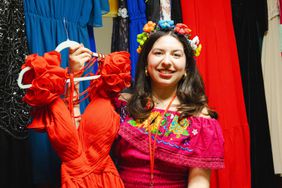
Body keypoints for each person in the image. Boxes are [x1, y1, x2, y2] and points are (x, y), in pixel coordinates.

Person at [112, 20, 224, 188]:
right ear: (145, 62)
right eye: (158, 53)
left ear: (187, 67)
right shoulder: (122, 106)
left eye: (176, 55)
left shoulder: (200, 119)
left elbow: (199, 183)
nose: (166, 61)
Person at [20, 43, 131, 187]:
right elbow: (74, 127)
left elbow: (78, 123)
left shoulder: (110, 93)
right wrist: (74, 74)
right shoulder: (45, 92)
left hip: (108, 180)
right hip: (74, 181)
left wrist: (75, 76)